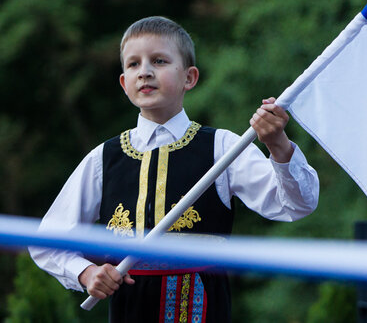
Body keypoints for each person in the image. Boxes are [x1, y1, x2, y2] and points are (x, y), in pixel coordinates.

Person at [30, 16, 319, 322]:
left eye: (159, 60)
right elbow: (48, 241)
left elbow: (297, 205)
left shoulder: (222, 147)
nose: (145, 72)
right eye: (133, 64)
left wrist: (277, 144)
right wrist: (86, 273)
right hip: (129, 310)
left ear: (189, 77)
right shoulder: (103, 158)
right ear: (123, 83)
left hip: (202, 309)